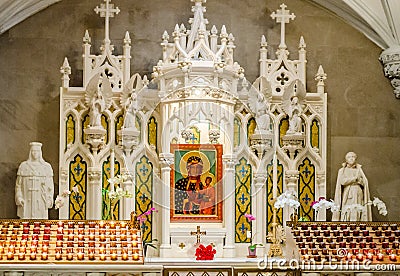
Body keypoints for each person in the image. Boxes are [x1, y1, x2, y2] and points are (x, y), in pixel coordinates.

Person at [15, 142, 54, 219]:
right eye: (33, 151)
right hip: (27, 202)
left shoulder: (46, 167)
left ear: (40, 152)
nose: (35, 153)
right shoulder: (23, 166)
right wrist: (19, 197)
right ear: (30, 152)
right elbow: (18, 186)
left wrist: (49, 199)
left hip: (41, 203)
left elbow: (50, 187)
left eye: (37, 151)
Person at [332, 152, 372, 221]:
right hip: (348, 192)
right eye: (349, 157)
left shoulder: (359, 170)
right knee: (347, 210)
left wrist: (359, 180)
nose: (351, 158)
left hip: (358, 192)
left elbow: (364, 182)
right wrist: (353, 179)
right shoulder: (342, 170)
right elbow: (342, 181)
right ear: (346, 160)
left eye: (353, 157)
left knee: (357, 209)